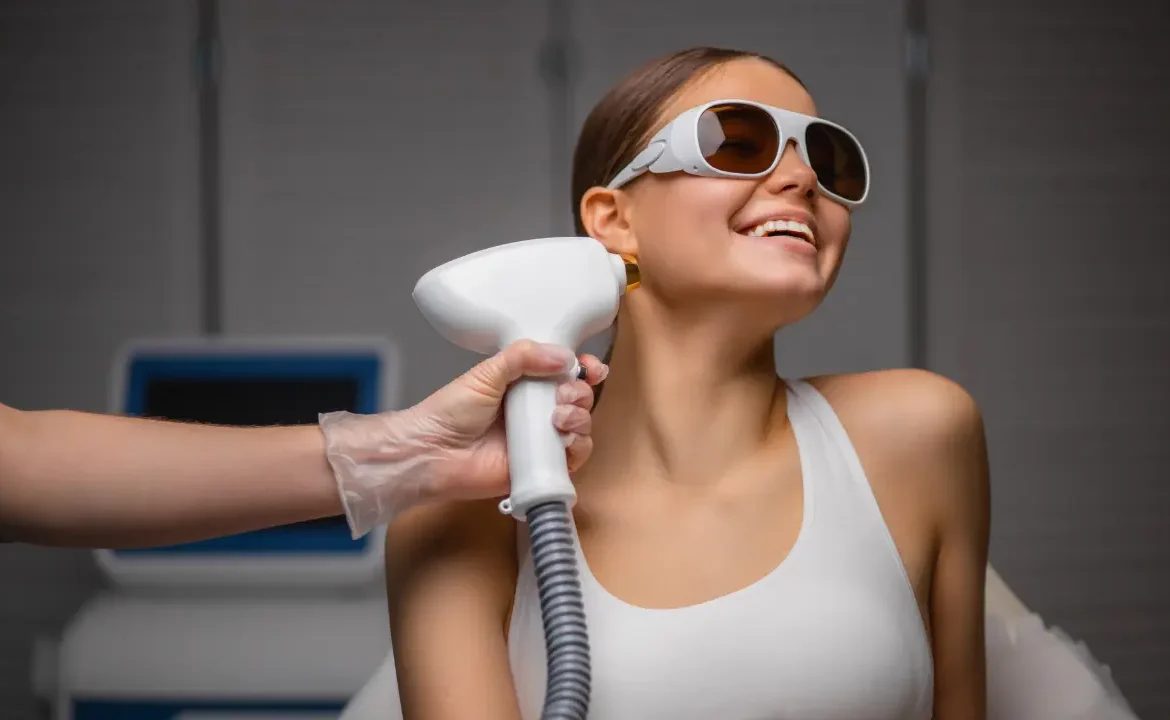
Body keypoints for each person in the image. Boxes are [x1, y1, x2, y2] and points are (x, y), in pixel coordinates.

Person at [375, 47, 1140, 720]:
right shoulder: (461, 517)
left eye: (829, 161)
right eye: (737, 143)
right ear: (613, 219)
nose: (805, 178)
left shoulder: (919, 434)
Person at [0, 340, 606, 548]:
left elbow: (23, 464)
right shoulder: (452, 538)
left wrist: (417, 452)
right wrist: (412, 454)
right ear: (609, 215)